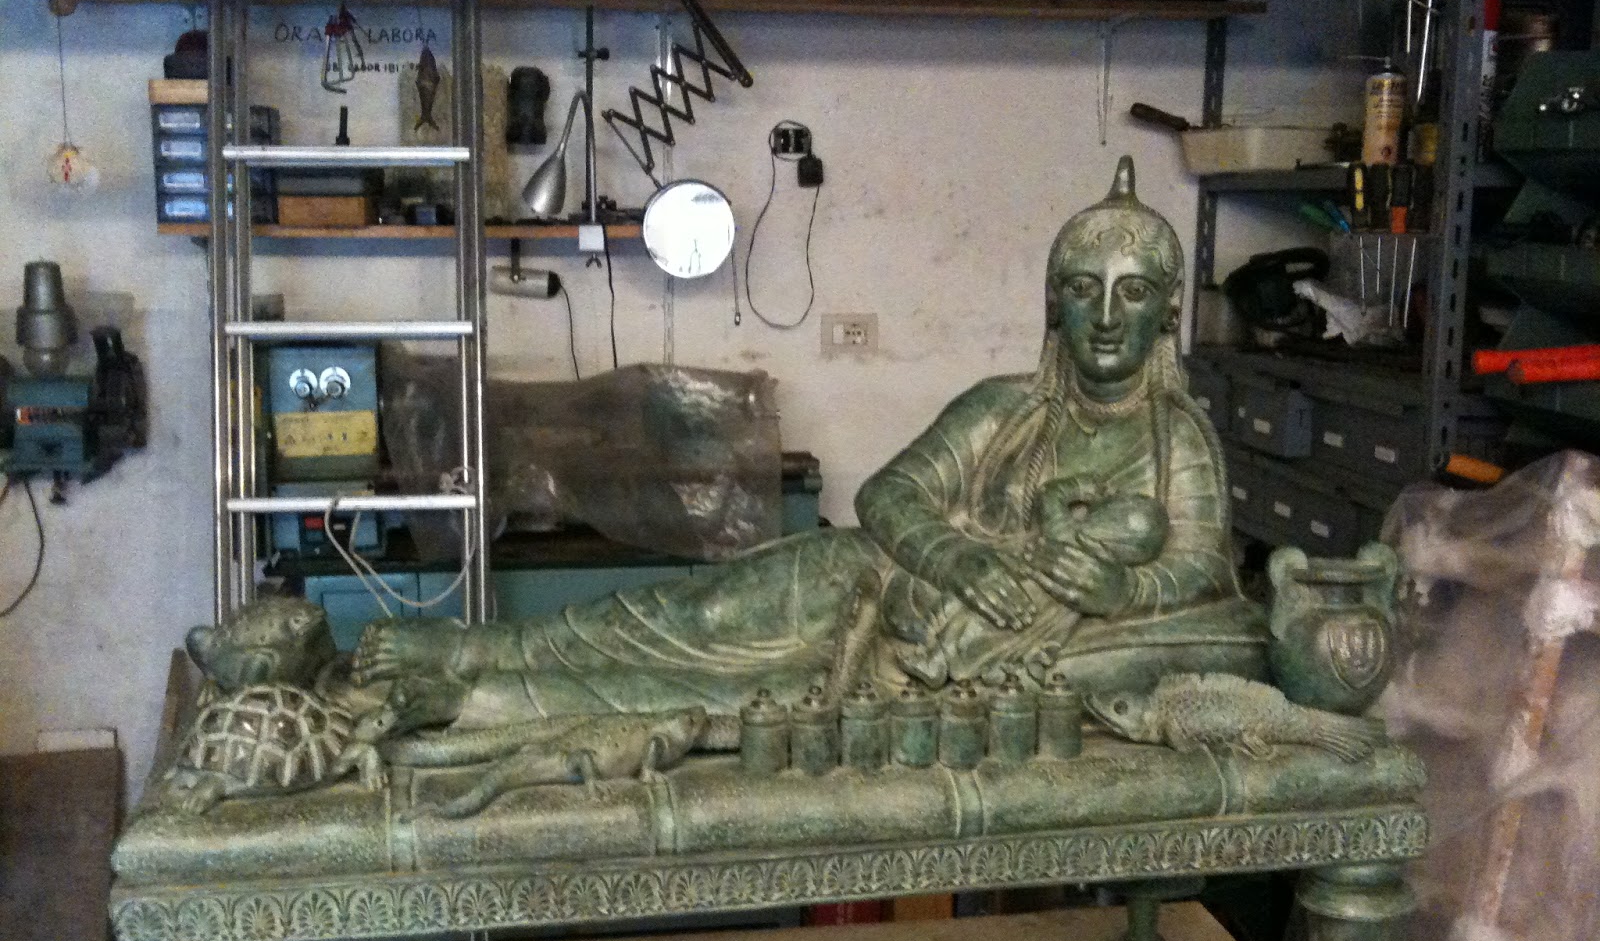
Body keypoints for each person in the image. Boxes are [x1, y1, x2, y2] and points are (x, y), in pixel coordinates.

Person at [354, 157, 1267, 728]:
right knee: (690, 619)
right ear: (1053, 305)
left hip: (930, 652)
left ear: (1167, 312)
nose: (1105, 317)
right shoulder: (1005, 409)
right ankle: (480, 651)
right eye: (1082, 289)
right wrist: (959, 559)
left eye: (1132, 293)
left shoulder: (1175, 442)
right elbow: (888, 496)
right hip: (866, 579)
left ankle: (480, 695)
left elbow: (1200, 570)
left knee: (723, 697)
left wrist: (1123, 590)